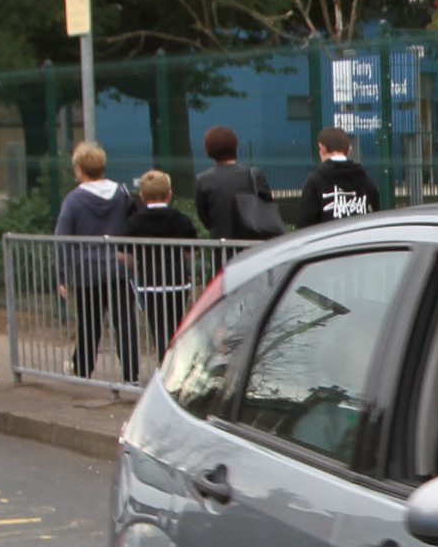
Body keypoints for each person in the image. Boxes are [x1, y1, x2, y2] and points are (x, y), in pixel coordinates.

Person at [51, 141, 137, 382]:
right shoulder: (122, 193)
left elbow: (62, 238)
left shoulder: (74, 200)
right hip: (119, 267)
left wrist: (62, 274)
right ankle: (132, 373)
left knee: (89, 322)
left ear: (79, 170)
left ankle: (83, 368)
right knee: (124, 322)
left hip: (86, 270)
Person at [123, 169, 204, 355]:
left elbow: (123, 253)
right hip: (177, 282)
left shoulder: (135, 222)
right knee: (176, 324)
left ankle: (164, 362)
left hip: (150, 282)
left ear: (142, 196)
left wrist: (137, 264)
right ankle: (175, 361)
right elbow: (194, 250)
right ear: (169, 194)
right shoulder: (181, 219)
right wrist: (182, 258)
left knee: (157, 326)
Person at [192, 126, 283, 240]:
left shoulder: (203, 180)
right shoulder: (254, 175)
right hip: (253, 243)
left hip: (222, 245)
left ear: (208, 150)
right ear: (235, 145)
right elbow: (267, 205)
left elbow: (205, 219)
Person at [297, 128, 380, 226]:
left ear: (322, 148)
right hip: (360, 239)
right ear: (349, 150)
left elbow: (305, 223)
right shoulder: (366, 180)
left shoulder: (315, 181)